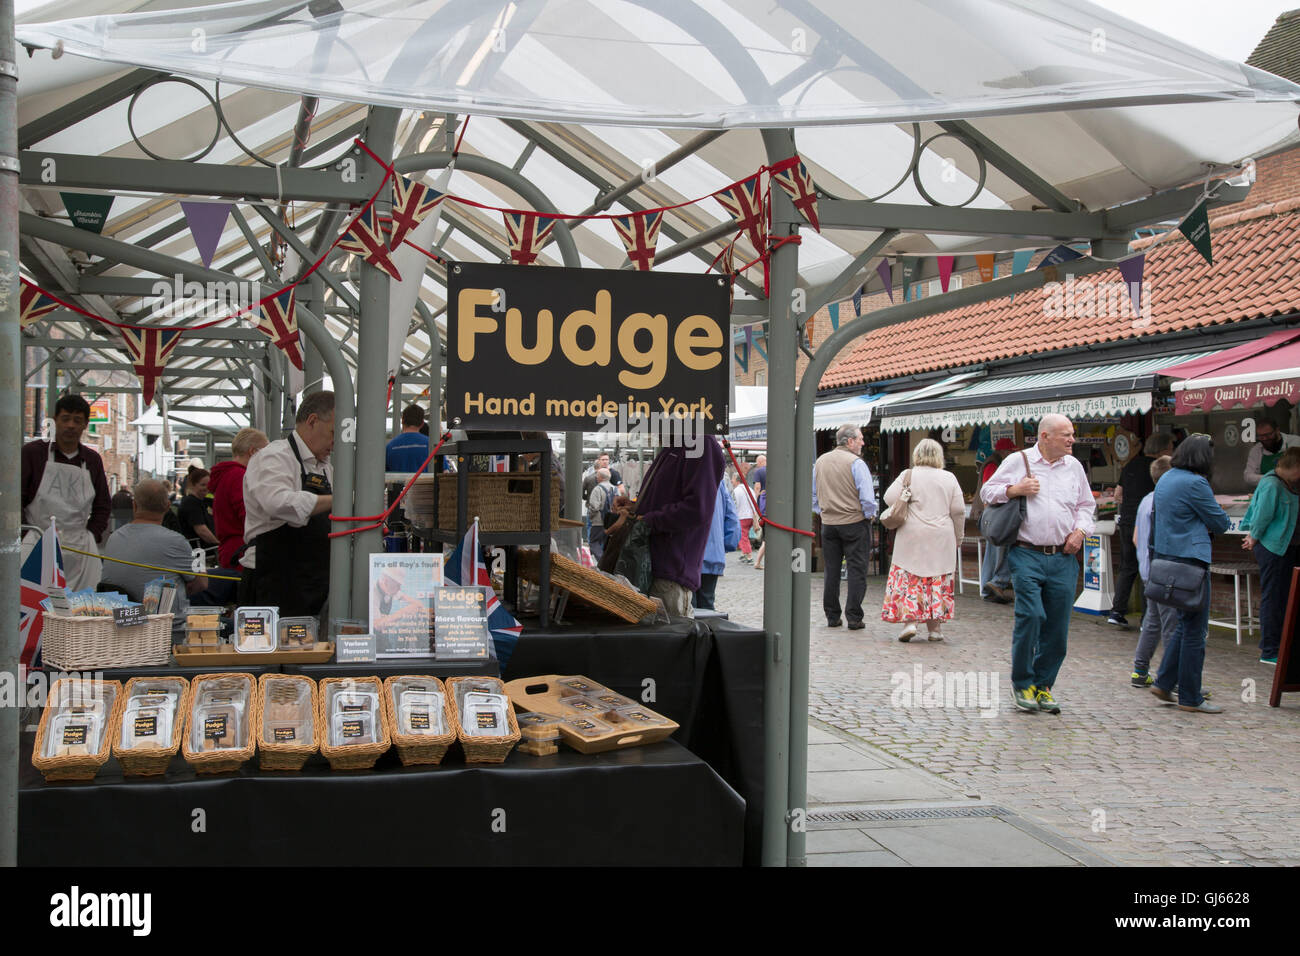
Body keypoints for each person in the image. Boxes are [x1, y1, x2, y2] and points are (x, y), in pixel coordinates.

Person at [981, 413, 1095, 714]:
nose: (1072, 440)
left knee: (1057, 628)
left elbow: (1086, 506)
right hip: (1026, 553)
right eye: (1065, 434)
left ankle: (1043, 686)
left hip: (1063, 557)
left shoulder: (1074, 467)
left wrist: (1080, 531)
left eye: (1072, 434)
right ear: (1044, 436)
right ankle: (1022, 684)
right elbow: (986, 491)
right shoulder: (1019, 461)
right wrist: (1015, 490)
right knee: (1031, 615)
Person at [1150, 434, 1230, 713]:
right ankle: (1190, 696)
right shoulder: (1196, 483)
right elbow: (1219, 523)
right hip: (1191, 563)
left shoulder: (1167, 478)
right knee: (1196, 630)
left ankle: (1164, 681)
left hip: (1167, 558)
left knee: (1185, 624)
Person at [605, 437, 726, 618]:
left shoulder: (699, 443)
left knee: (666, 643)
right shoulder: (675, 445)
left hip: (668, 575)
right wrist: (635, 507)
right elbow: (671, 499)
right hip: (653, 570)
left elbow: (697, 509)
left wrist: (648, 520)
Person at [241, 390, 335, 617]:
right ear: (313, 421)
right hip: (274, 581)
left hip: (312, 582)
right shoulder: (274, 457)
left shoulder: (325, 466)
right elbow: (277, 502)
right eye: (333, 432)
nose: (335, 442)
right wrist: (339, 500)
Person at [21, 394, 112, 590]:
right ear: (55, 421)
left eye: (77, 420)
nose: (70, 425)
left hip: (80, 549)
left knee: (82, 608)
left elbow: (103, 504)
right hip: (36, 542)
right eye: (65, 419)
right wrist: (26, 534)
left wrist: (92, 534)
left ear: (85, 424)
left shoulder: (92, 460)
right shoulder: (32, 453)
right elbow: (15, 499)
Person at [101, 479, 208, 641]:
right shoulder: (176, 541)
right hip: (169, 632)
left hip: (122, 627)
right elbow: (202, 583)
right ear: (167, 507)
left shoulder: (114, 537)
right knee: (227, 624)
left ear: (134, 506)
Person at [881, 439, 966, 642]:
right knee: (937, 580)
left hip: (912, 534)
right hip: (941, 536)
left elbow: (888, 498)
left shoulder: (908, 475)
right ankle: (935, 629)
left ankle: (910, 623)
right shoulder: (949, 477)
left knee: (911, 578)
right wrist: (959, 536)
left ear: (916, 455)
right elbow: (959, 510)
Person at [812, 425, 878, 630]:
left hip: (829, 524)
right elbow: (867, 497)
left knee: (831, 571)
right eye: (860, 439)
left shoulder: (820, 462)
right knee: (856, 570)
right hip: (854, 522)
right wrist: (870, 515)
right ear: (849, 441)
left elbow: (813, 495)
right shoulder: (856, 463)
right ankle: (854, 617)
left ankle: (832, 616)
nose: (863, 443)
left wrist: (823, 512)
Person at [1108, 432, 1176, 628]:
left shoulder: (1130, 464)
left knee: (1127, 567)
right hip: (1147, 522)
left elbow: (1118, 495)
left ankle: (1117, 611)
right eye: (1171, 448)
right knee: (1149, 566)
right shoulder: (1160, 469)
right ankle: (1148, 617)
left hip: (1127, 521)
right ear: (1164, 451)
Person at [1240, 446, 1300, 666]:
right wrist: (1253, 537)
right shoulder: (1271, 484)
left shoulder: (1290, 483)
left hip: (1289, 547)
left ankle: (1286, 647)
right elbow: (1262, 516)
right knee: (1274, 598)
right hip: (1273, 548)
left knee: (1287, 598)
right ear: (1293, 468)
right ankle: (1269, 649)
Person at [1130, 455, 1177, 687]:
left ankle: (1140, 670)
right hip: (1164, 570)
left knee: (1152, 621)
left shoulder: (1146, 500)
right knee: (1171, 624)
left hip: (1148, 571)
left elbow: (1136, 538)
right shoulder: (1166, 501)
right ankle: (1172, 678)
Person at [208, 427, 268, 606]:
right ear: (253, 452)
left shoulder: (227, 475)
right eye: (265, 453)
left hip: (230, 550)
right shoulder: (240, 476)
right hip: (242, 554)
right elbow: (250, 516)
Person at [979, 438, 1016, 603]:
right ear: (1004, 452)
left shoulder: (994, 463)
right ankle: (994, 584)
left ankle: (990, 587)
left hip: (994, 516)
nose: (1012, 454)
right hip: (996, 516)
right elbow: (989, 491)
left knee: (995, 553)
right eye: (1011, 451)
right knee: (999, 552)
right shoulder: (993, 465)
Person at [695, 477, 740, 611]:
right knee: (707, 606)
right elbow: (732, 518)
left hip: (689, 556)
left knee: (688, 611)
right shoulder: (718, 480)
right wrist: (724, 545)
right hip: (713, 556)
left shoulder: (686, 474)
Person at [1243, 418, 1300, 487]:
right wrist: (1273, 477)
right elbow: (1248, 476)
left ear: (1277, 430)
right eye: (1260, 436)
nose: (1265, 439)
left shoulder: (1296, 442)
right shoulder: (1256, 450)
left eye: (1268, 435)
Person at [176, 465, 219, 550]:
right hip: (200, 550)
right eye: (203, 485)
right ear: (193, 485)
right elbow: (202, 531)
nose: (206, 488)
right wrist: (219, 544)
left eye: (208, 484)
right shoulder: (191, 503)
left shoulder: (203, 501)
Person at [386, 404, 431, 472]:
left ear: (402, 421)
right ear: (422, 423)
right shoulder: (431, 445)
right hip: (426, 483)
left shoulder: (390, 447)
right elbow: (445, 472)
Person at [587, 467, 617, 561]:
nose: (596, 477)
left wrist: (591, 516)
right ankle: (607, 563)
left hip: (598, 521)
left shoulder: (598, 489)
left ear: (600, 477)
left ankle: (601, 562)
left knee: (594, 542)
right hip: (612, 523)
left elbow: (594, 507)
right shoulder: (615, 489)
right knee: (606, 543)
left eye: (597, 475)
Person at [732, 472, 755, 563]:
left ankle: (749, 555)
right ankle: (743, 553)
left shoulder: (737, 490)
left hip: (742, 516)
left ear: (737, 480)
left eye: (733, 479)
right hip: (750, 516)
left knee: (742, 536)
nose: (731, 481)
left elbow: (734, 504)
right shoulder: (749, 489)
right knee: (745, 535)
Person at [750, 455, 768, 570]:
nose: (757, 465)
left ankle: (757, 562)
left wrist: (755, 505)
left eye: (757, 463)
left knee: (766, 538)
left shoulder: (759, 471)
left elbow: (757, 487)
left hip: (765, 508)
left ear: (761, 462)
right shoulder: (777, 469)